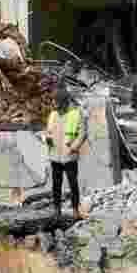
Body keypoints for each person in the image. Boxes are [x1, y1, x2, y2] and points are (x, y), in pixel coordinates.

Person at [42, 86, 87, 219]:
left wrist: (73, 148)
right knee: (56, 185)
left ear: (64, 102)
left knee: (73, 184)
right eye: (54, 102)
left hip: (69, 156)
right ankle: (57, 210)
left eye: (56, 102)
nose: (54, 104)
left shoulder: (76, 113)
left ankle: (75, 210)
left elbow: (83, 133)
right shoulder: (53, 115)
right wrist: (46, 139)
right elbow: (48, 132)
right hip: (55, 156)